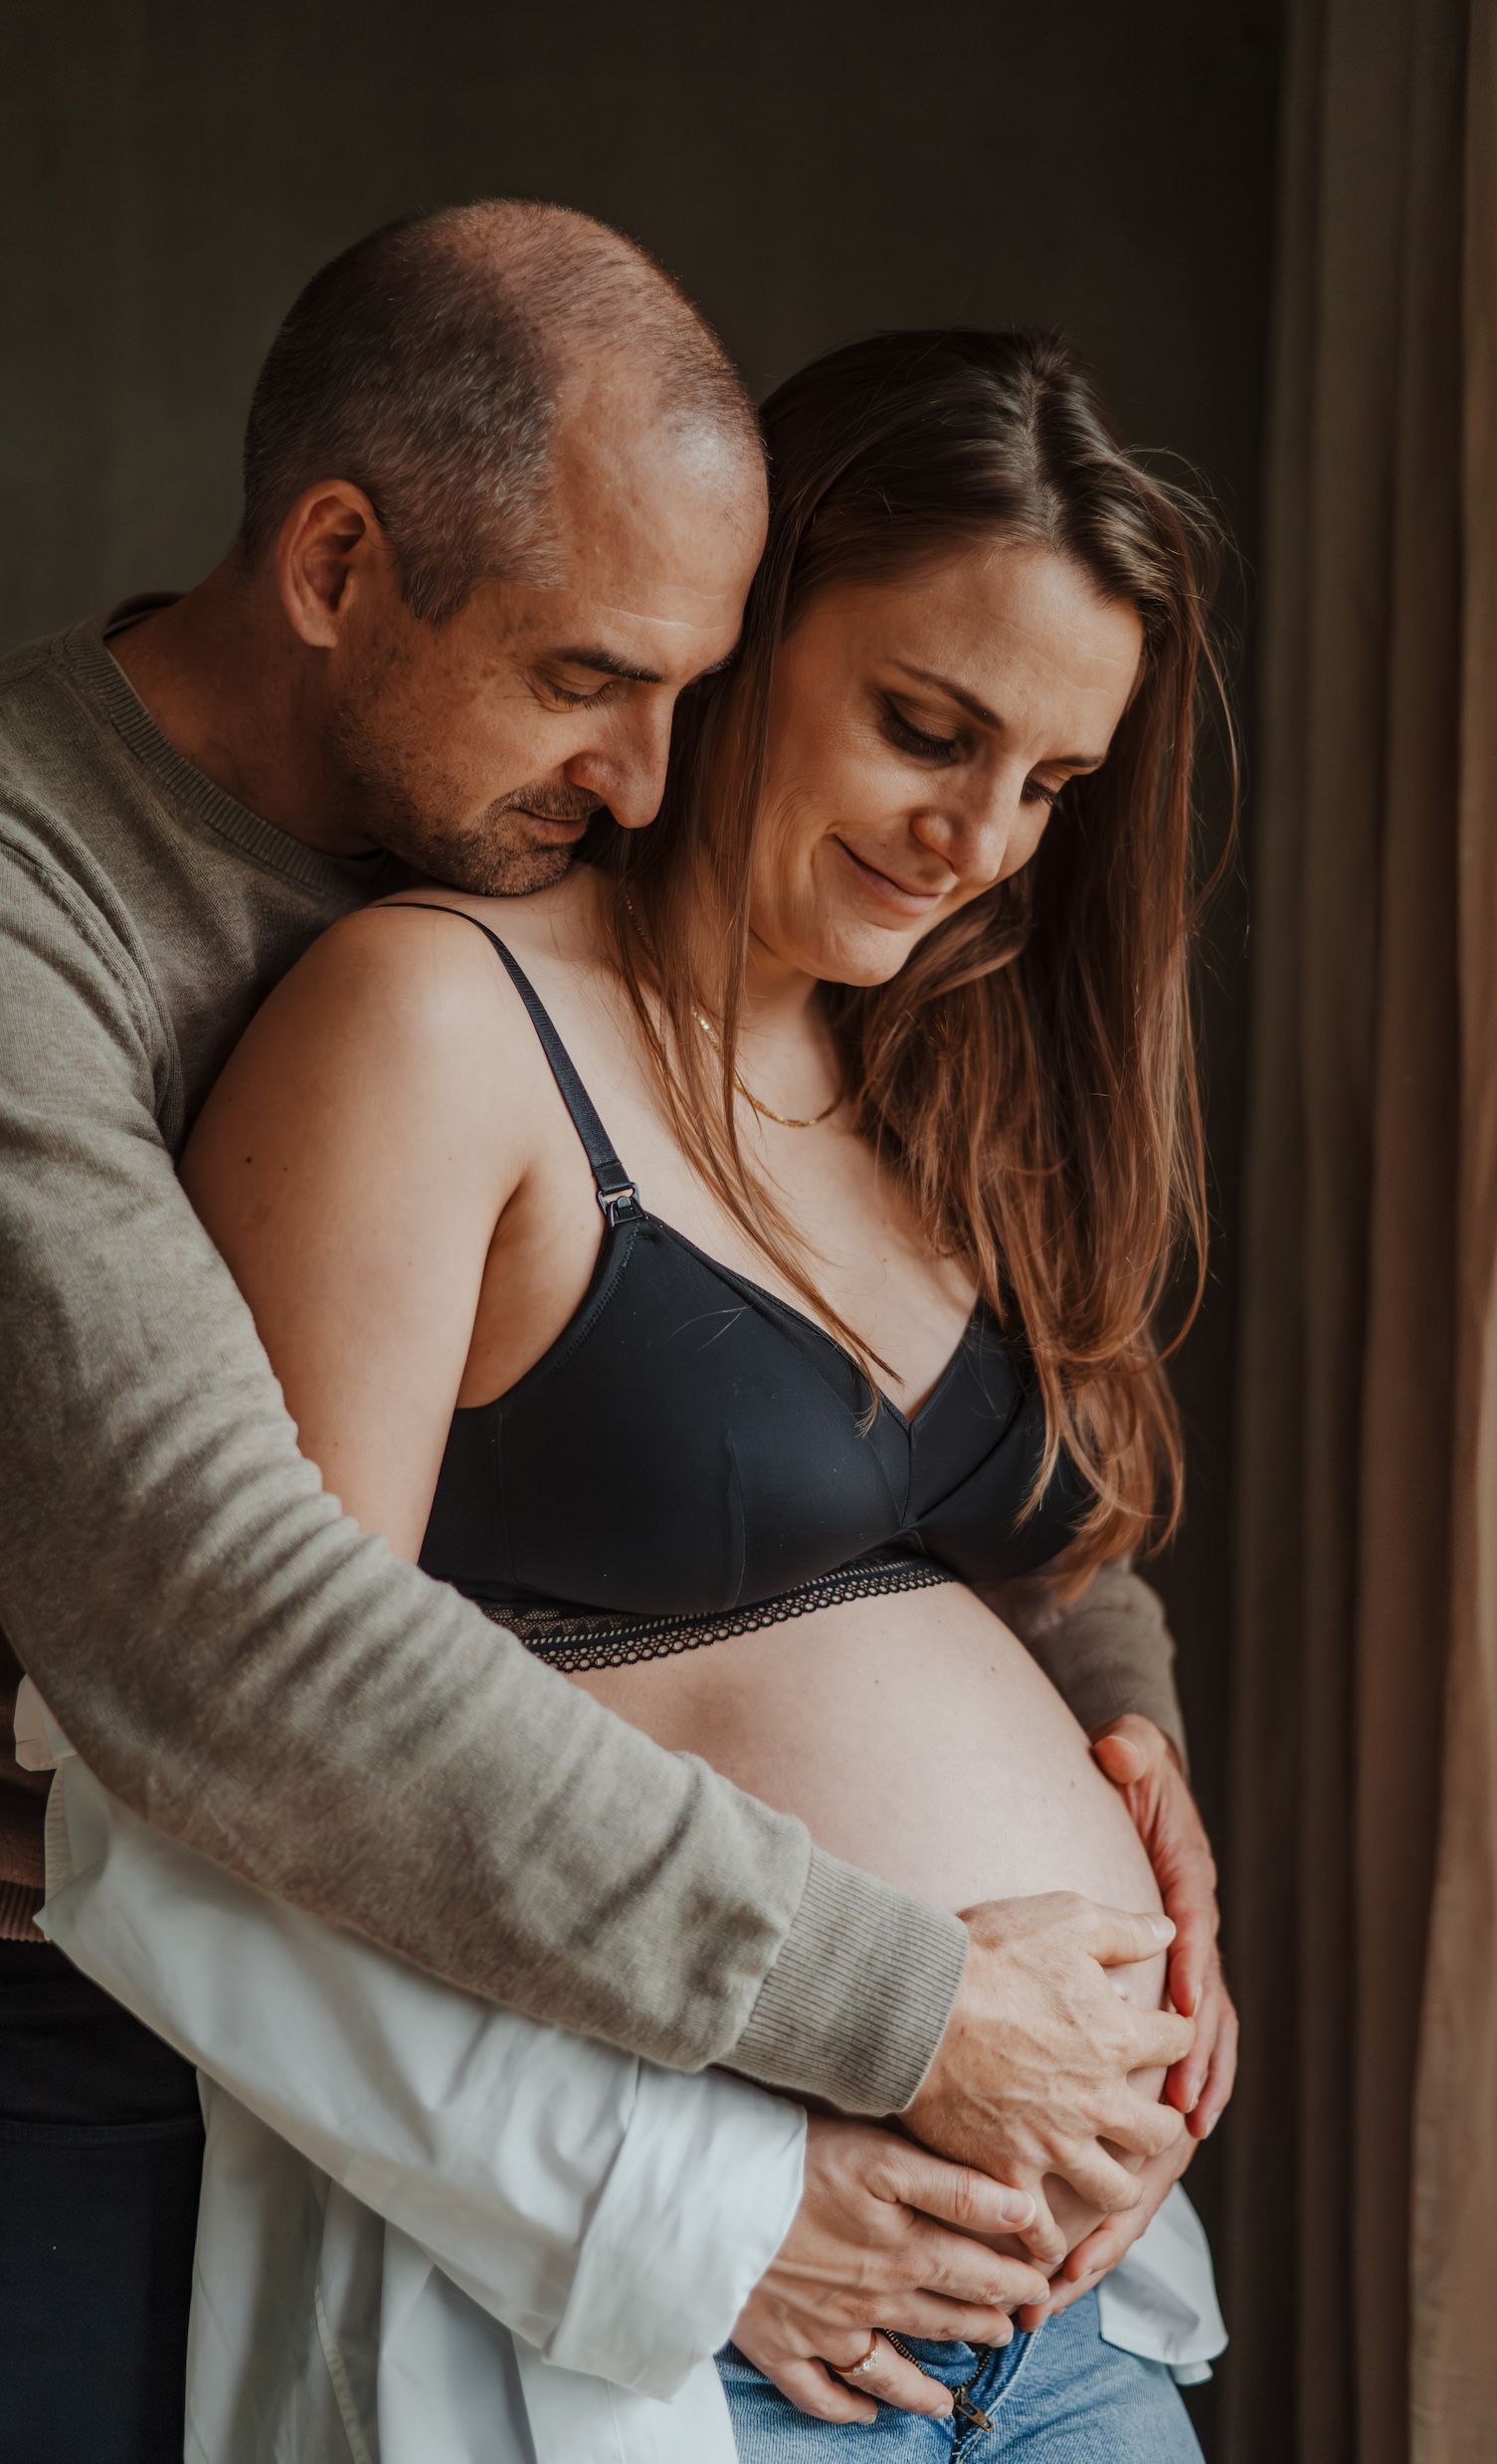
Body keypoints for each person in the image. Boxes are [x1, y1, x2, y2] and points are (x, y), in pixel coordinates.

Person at [0, 205, 1233, 2460]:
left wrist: (1135, 1812)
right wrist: (876, 2038)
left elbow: (1006, 1525)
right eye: (593, 684)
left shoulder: (875, 1035)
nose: (644, 774)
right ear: (339, 565)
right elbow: (241, 1659)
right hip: (547, 2215)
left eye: (1046, 788)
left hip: (1042, 2298)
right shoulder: (214, 955)